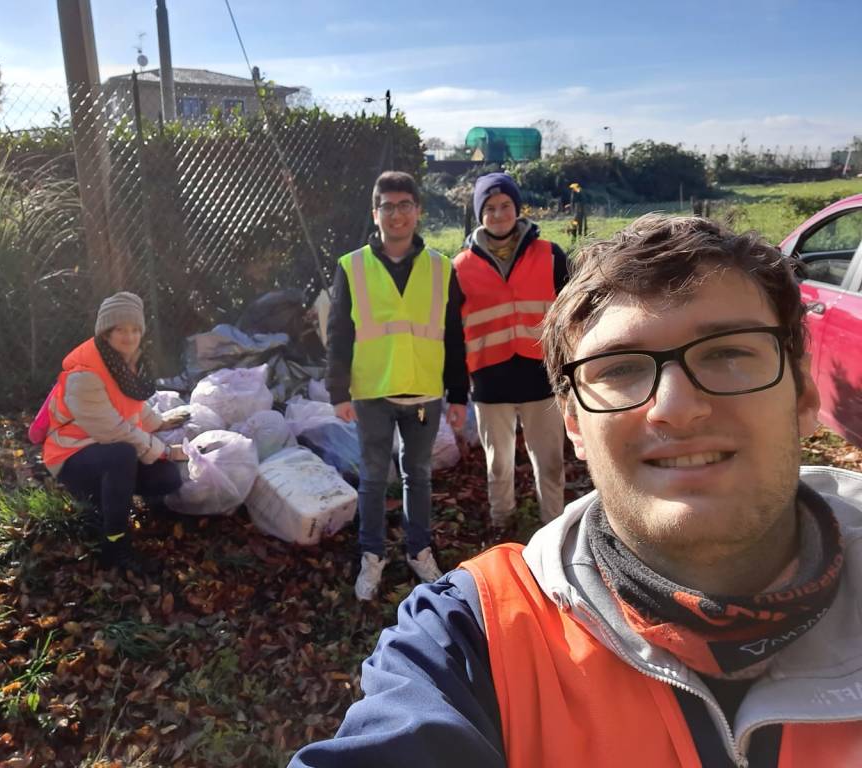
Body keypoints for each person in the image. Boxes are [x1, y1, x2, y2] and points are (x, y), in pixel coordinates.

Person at [291, 214, 862, 766]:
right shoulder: (473, 638)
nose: (677, 407)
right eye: (619, 368)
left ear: (804, 395)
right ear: (574, 423)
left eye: (728, 353)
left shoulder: (509, 258)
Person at [325, 170, 469, 601]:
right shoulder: (351, 267)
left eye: (405, 205)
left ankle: (418, 550)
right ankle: (372, 556)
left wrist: (458, 394)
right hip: (371, 392)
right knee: (371, 479)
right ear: (376, 213)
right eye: (388, 206)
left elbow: (454, 336)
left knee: (418, 477)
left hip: (424, 392)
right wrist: (338, 392)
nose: (397, 214)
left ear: (418, 211)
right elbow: (338, 334)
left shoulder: (442, 269)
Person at [454, 172, 569, 527]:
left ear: (518, 209)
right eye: (489, 208)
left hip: (541, 377)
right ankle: (501, 523)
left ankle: (555, 527)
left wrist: (571, 373)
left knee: (549, 461)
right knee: (498, 463)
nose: (499, 214)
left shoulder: (550, 255)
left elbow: (570, 318)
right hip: (491, 380)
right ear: (480, 215)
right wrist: (458, 389)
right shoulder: (460, 268)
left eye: (506, 205)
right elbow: (454, 334)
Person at [42, 292, 187, 573]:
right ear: (106, 333)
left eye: (135, 329)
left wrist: (160, 422)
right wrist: (165, 451)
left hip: (104, 449)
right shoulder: (85, 374)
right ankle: (114, 545)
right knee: (122, 455)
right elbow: (116, 431)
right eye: (120, 329)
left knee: (167, 477)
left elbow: (133, 406)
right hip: (72, 455)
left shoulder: (123, 362)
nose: (129, 336)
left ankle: (110, 499)